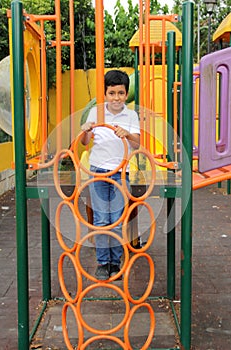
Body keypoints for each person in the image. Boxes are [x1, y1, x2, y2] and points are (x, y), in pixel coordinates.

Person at [81, 70, 140, 280]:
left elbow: (137, 143)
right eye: (112, 93)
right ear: (105, 94)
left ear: (126, 94)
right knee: (100, 219)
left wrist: (127, 133)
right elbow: (84, 142)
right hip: (97, 172)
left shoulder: (131, 115)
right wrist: (86, 129)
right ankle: (103, 263)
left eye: (121, 93)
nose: (116, 98)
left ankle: (115, 263)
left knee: (116, 219)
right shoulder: (95, 113)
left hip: (120, 173)